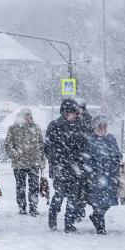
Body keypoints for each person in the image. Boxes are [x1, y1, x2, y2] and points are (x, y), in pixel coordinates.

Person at [44, 99, 86, 233]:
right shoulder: (55, 125)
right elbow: (48, 147)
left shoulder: (80, 126)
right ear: (64, 113)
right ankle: (52, 218)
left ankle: (69, 223)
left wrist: (80, 161)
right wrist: (56, 159)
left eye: (74, 113)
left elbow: (84, 146)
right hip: (60, 167)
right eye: (70, 113)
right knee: (59, 195)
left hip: (75, 168)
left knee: (73, 197)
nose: (72, 116)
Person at [84, 115, 121, 235]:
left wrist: (116, 159)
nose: (104, 128)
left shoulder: (111, 138)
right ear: (96, 127)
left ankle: (96, 217)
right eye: (101, 126)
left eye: (105, 126)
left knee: (109, 202)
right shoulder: (90, 140)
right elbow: (87, 159)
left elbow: (117, 153)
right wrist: (93, 172)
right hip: (97, 177)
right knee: (98, 202)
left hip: (110, 176)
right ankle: (100, 227)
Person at [5, 108, 46, 216]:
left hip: (34, 163)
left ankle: (33, 207)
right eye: (26, 116)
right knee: (20, 187)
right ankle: (22, 207)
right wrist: (15, 154)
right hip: (19, 164)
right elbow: (8, 144)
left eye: (29, 116)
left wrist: (42, 160)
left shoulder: (36, 127)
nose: (28, 118)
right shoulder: (13, 128)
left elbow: (42, 144)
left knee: (34, 186)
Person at [74, 98, 93, 221]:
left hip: (83, 159)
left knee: (82, 186)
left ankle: (80, 208)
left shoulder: (86, 121)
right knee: (77, 187)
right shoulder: (77, 121)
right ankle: (78, 209)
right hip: (79, 159)